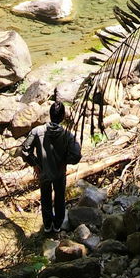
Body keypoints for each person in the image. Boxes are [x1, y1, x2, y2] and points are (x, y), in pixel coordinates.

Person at [20, 99, 82, 235]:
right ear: (62, 116)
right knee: (60, 198)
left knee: (45, 198)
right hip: (60, 172)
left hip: (43, 170)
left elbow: (24, 150)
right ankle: (58, 225)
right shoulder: (67, 135)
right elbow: (77, 155)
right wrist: (65, 161)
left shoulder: (37, 131)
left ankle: (47, 225)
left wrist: (35, 163)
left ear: (50, 114)